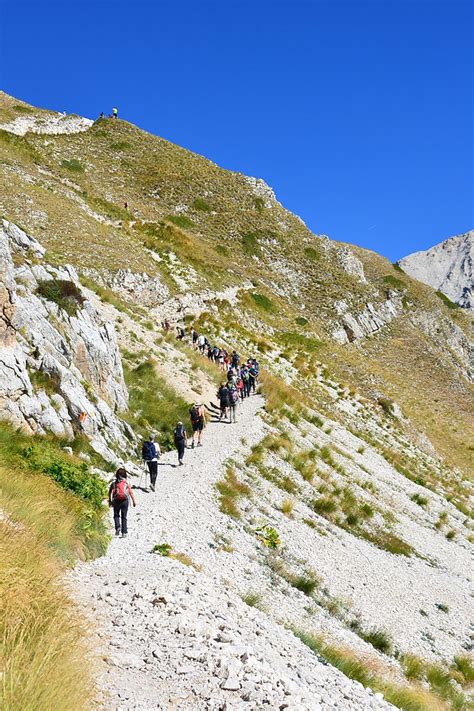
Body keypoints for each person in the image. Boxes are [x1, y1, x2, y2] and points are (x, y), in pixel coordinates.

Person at [108, 468, 136, 538]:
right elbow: (130, 492)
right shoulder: (126, 483)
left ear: (117, 475)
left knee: (116, 515)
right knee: (124, 517)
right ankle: (124, 532)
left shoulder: (114, 483)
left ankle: (117, 527)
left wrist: (110, 501)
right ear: (125, 475)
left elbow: (109, 492)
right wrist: (134, 501)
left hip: (116, 500)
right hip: (125, 501)